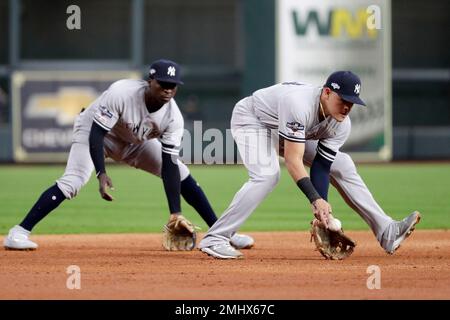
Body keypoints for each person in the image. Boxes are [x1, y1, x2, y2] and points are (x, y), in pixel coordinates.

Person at [3, 59, 254, 251]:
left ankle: (221, 234)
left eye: (173, 86)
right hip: (95, 132)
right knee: (74, 181)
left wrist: (175, 212)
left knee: (182, 173)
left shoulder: (173, 118)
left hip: (134, 142)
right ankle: (19, 232)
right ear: (150, 81)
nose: (168, 90)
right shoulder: (122, 93)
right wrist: (101, 172)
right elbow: (97, 134)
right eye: (163, 84)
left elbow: (168, 166)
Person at [199, 71, 420, 259]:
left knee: (342, 164)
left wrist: (323, 213)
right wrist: (314, 199)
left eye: (351, 103)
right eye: (342, 100)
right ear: (326, 92)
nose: (346, 107)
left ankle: (387, 231)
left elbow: (322, 166)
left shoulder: (341, 124)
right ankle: (215, 237)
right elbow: (294, 161)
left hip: (284, 130)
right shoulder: (299, 104)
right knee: (267, 175)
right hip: (253, 119)